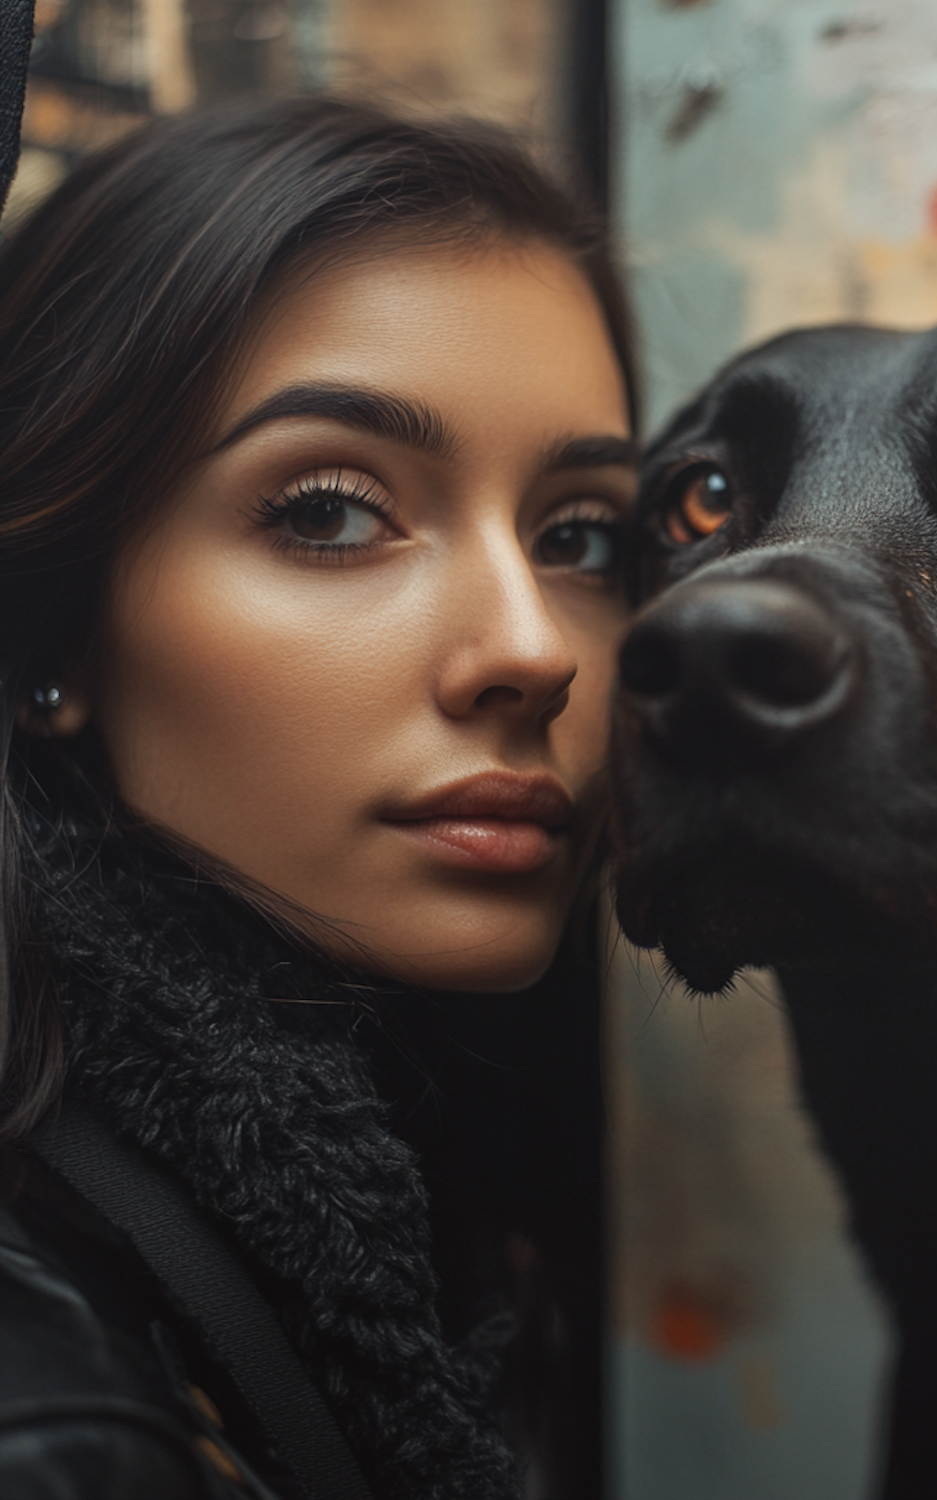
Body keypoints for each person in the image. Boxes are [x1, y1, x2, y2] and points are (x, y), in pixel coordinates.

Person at [0, 97, 636, 1500]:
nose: (532, 648)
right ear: (54, 632)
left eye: (583, 533)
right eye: (332, 511)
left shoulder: (438, 1211)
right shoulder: (63, 1431)